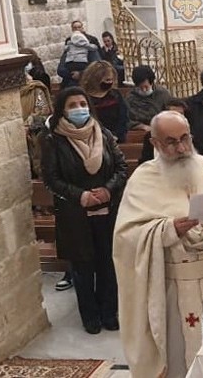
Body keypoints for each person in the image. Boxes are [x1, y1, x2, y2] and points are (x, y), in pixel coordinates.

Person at [113, 111, 203, 378]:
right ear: (155, 143)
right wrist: (168, 230)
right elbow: (126, 238)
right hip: (173, 287)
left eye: (185, 138)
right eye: (171, 142)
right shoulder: (143, 179)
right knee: (179, 356)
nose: (182, 148)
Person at [41, 87, 128, 334]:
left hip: (106, 210)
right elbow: (51, 178)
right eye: (72, 105)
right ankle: (90, 316)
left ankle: (109, 312)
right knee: (83, 266)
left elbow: (121, 168)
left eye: (82, 103)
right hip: (75, 213)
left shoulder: (104, 134)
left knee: (108, 264)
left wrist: (108, 190)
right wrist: (81, 195)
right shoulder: (53, 140)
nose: (79, 108)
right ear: (62, 110)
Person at [138, 99, 203, 164]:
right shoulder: (153, 136)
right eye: (173, 114)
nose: (177, 118)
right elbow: (146, 162)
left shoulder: (193, 133)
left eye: (181, 114)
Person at [80, 61, 130, 142]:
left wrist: (116, 135)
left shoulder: (116, 95)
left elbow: (123, 117)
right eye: (107, 80)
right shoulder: (84, 97)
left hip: (116, 139)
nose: (110, 82)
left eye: (111, 80)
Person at [126, 65, 171, 131]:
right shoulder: (130, 98)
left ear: (151, 83)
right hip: (139, 131)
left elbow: (170, 114)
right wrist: (141, 126)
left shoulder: (162, 94)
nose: (144, 90)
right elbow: (126, 120)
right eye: (140, 88)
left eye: (146, 87)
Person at [58, 21, 100, 89]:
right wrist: (71, 75)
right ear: (72, 29)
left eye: (79, 27)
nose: (77, 29)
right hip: (69, 82)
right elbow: (61, 69)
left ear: (82, 28)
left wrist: (81, 74)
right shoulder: (69, 45)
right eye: (75, 28)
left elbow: (96, 66)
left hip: (87, 82)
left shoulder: (90, 45)